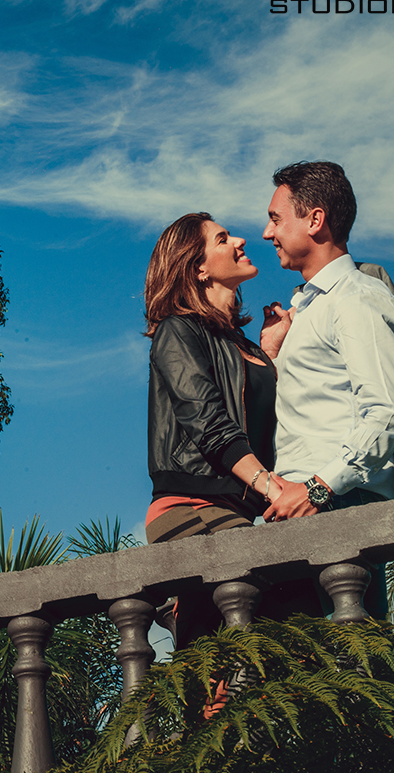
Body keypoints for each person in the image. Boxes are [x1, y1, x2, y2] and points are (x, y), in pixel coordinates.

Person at [258, 160, 394, 617]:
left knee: (352, 655)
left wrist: (318, 489)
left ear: (315, 220)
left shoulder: (355, 297)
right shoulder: (309, 309)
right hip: (304, 505)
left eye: (276, 218)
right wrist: (274, 354)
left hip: (336, 504)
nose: (266, 232)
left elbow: (389, 414)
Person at [144, 212, 282, 648]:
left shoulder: (245, 346)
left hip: (237, 509)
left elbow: (266, 420)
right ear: (198, 267)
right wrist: (270, 486)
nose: (240, 240)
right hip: (191, 506)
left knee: (256, 646)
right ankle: (181, 614)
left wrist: (272, 353)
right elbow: (208, 422)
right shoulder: (176, 331)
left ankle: (185, 618)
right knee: (243, 646)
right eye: (222, 238)